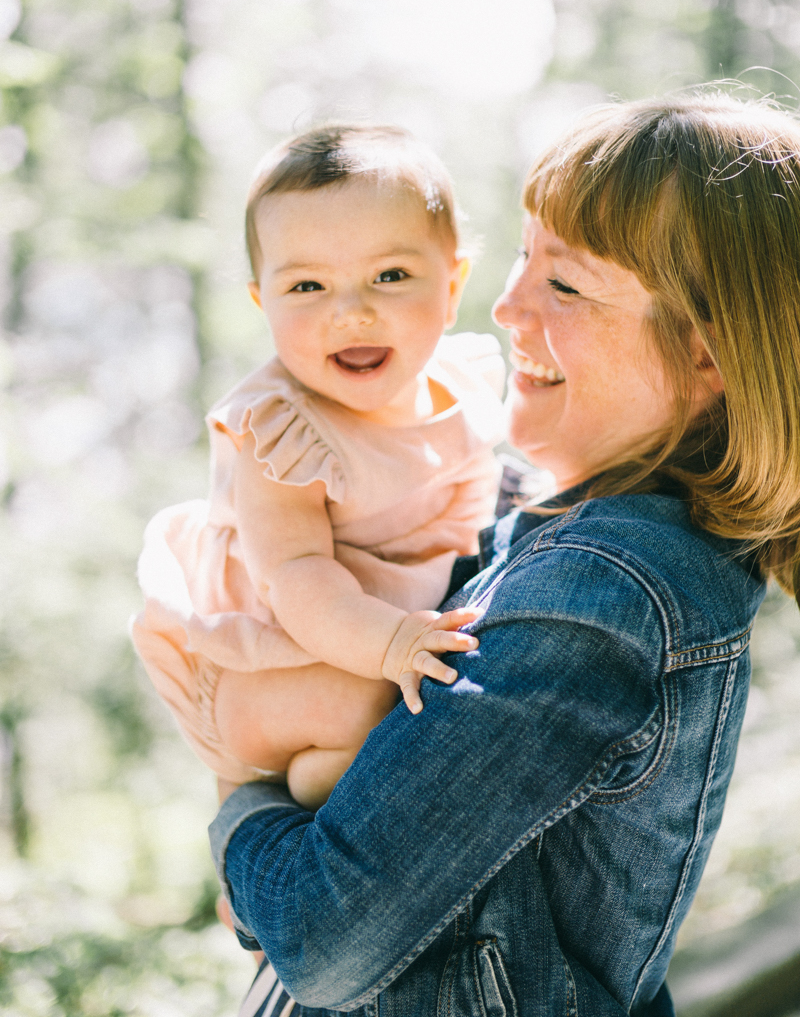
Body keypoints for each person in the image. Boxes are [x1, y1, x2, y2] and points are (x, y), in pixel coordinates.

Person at [208, 90, 800, 1016]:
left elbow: (324, 935)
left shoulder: (599, 591)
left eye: (564, 284)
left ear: (706, 355)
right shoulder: (558, 536)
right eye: (523, 260)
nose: (506, 305)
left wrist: (241, 811)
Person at [132, 125, 505, 810]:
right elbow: (297, 579)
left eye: (390, 276)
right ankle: (267, 809)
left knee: (413, 694)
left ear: (452, 286)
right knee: (372, 705)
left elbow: (474, 510)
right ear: (263, 304)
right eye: (307, 285)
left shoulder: (467, 384)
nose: (351, 311)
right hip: (270, 662)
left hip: (376, 638)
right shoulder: (284, 438)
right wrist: (392, 641)